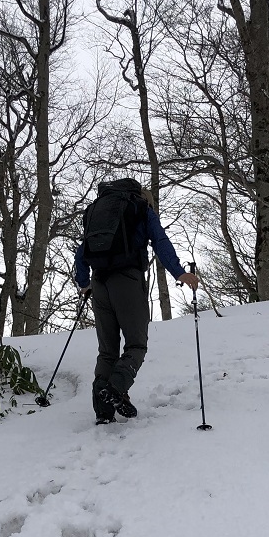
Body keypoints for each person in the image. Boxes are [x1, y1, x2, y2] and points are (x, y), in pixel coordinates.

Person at [74, 178, 199, 424]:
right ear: (146, 199)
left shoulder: (102, 212)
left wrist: (84, 283)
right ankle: (116, 388)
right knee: (136, 345)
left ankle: (103, 412)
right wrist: (179, 272)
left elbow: (82, 252)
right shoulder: (141, 209)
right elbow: (160, 241)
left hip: (99, 283)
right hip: (127, 281)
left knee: (107, 351)